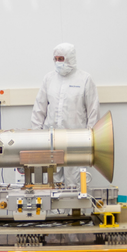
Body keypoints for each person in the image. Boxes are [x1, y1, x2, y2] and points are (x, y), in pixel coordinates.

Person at [30, 43, 100, 186]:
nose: (58, 62)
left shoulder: (85, 79)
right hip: (50, 141)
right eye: (55, 59)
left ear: (70, 58)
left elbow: (93, 111)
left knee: (75, 184)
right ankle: (55, 210)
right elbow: (39, 109)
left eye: (61, 58)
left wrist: (90, 140)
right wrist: (36, 136)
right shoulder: (49, 79)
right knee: (51, 183)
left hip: (76, 142)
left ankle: (75, 209)